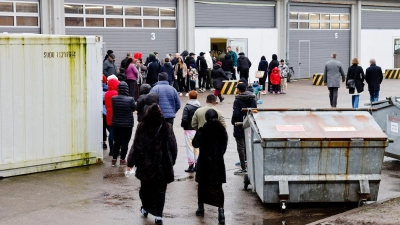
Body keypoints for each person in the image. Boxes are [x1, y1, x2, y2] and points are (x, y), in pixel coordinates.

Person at [127, 103, 177, 225]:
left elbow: (136, 146)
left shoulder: (142, 127)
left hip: (146, 165)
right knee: (161, 191)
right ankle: (159, 215)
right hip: (163, 165)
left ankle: (145, 207)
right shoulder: (167, 127)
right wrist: (172, 161)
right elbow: (173, 146)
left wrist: (131, 162)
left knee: (145, 189)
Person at [192, 109, 227, 224]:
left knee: (202, 185)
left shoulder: (203, 129)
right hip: (217, 163)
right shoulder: (222, 130)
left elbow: (195, 143)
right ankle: (221, 212)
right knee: (218, 187)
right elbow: (224, 147)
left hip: (204, 163)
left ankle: (201, 208)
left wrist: (199, 132)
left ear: (206, 118)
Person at [231, 83, 257, 174]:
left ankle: (243, 167)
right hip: (250, 124)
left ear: (239, 90)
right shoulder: (253, 98)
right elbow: (255, 111)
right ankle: (250, 164)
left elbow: (236, 114)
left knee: (240, 146)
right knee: (249, 145)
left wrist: (233, 122)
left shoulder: (237, 100)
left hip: (239, 124)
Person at [111, 81, 136, 166]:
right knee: (125, 142)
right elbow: (134, 109)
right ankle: (122, 159)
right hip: (127, 124)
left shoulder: (113, 99)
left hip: (116, 124)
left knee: (116, 142)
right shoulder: (130, 99)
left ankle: (114, 159)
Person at [181, 91, 201, 173]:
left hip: (188, 129)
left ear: (189, 97)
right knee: (197, 148)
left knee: (189, 148)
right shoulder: (199, 106)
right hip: (197, 129)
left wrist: (183, 125)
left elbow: (184, 119)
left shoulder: (187, 107)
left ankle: (191, 165)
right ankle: (197, 164)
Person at [104, 77, 119, 156]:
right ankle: (115, 150)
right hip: (116, 115)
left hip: (108, 115)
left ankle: (111, 150)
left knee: (111, 133)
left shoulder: (107, 93)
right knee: (116, 134)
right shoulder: (116, 93)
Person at [102, 75, 108, 149]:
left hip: (102, 112)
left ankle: (103, 142)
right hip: (107, 111)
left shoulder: (98, 90)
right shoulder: (107, 90)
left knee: (102, 128)